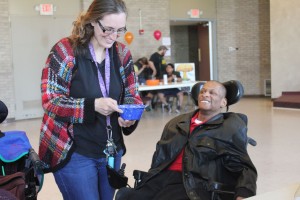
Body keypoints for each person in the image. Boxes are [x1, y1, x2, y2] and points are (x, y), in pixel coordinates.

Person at [38, 1, 143, 200]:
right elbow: (50, 101)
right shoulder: (65, 51)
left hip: (111, 150)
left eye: (120, 30)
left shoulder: (122, 54)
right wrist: (92, 105)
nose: (113, 36)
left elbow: (132, 94)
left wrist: (130, 114)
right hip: (74, 151)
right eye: (108, 29)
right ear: (93, 21)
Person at [116, 80, 257, 200]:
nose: (205, 94)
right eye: (203, 91)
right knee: (125, 196)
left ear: (223, 102)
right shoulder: (176, 123)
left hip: (192, 183)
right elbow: (159, 158)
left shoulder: (229, 127)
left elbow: (244, 167)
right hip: (161, 177)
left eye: (212, 93)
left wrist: (243, 194)